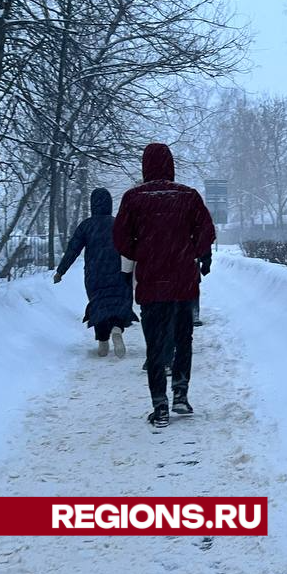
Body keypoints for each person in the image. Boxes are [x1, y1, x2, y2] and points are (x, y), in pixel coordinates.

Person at [113, 142, 215, 428]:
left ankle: (159, 406)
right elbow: (206, 231)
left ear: (145, 166)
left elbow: (120, 239)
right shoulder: (188, 196)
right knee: (183, 338)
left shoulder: (133, 199)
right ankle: (181, 393)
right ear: (171, 165)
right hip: (183, 281)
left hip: (151, 282)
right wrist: (191, 252)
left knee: (155, 344)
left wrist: (141, 252)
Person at [54, 188, 137, 357]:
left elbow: (73, 249)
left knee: (99, 304)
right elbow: (131, 247)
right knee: (118, 303)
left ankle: (102, 341)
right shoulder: (118, 223)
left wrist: (60, 271)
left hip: (95, 273)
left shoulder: (86, 226)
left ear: (93, 204)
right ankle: (117, 329)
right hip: (118, 271)